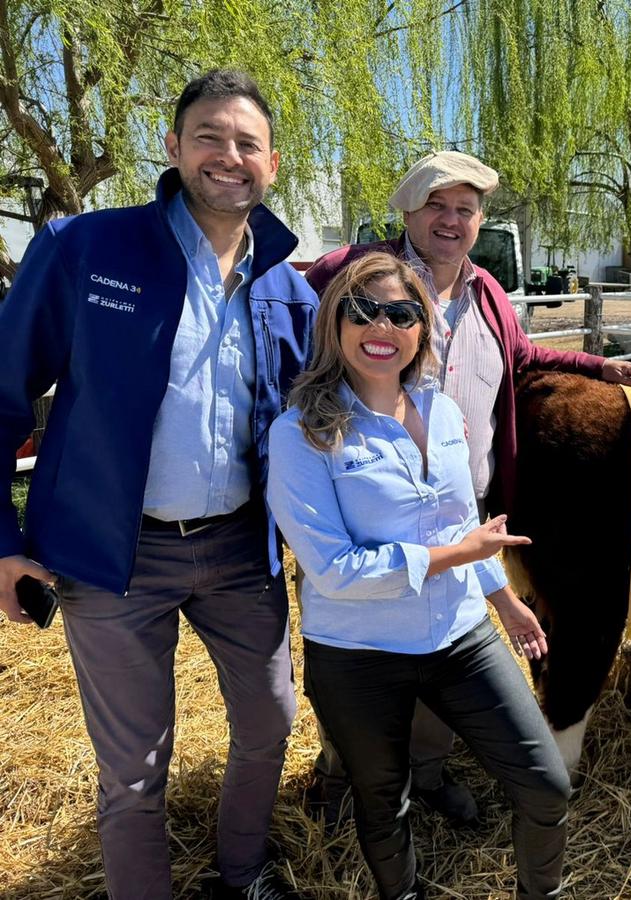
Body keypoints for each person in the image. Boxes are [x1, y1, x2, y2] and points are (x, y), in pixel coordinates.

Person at [0, 70, 316, 900]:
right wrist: (3, 542)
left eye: (248, 143)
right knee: (136, 768)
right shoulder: (85, 248)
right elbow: (1, 395)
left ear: (272, 165)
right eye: (209, 136)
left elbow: (325, 415)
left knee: (270, 720)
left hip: (242, 552)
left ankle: (242, 874)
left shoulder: (286, 286)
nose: (229, 156)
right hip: (114, 557)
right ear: (172, 148)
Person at [303, 150, 631, 826]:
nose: (451, 220)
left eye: (465, 209)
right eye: (437, 205)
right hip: (368, 509)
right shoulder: (356, 275)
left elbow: (524, 358)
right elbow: (293, 337)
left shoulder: (487, 291)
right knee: (362, 659)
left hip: (460, 513)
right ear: (407, 212)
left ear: (479, 221)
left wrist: (599, 365)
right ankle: (340, 777)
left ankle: (430, 776)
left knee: (444, 652)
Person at [267, 251, 570, 900]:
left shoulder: (442, 413)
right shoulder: (302, 434)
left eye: (402, 313)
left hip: (461, 634)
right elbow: (334, 571)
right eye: (365, 310)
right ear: (336, 322)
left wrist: (503, 600)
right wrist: (457, 557)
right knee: (384, 803)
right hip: (359, 651)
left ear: (421, 330)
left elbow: (463, 526)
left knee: (545, 785)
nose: (383, 325)